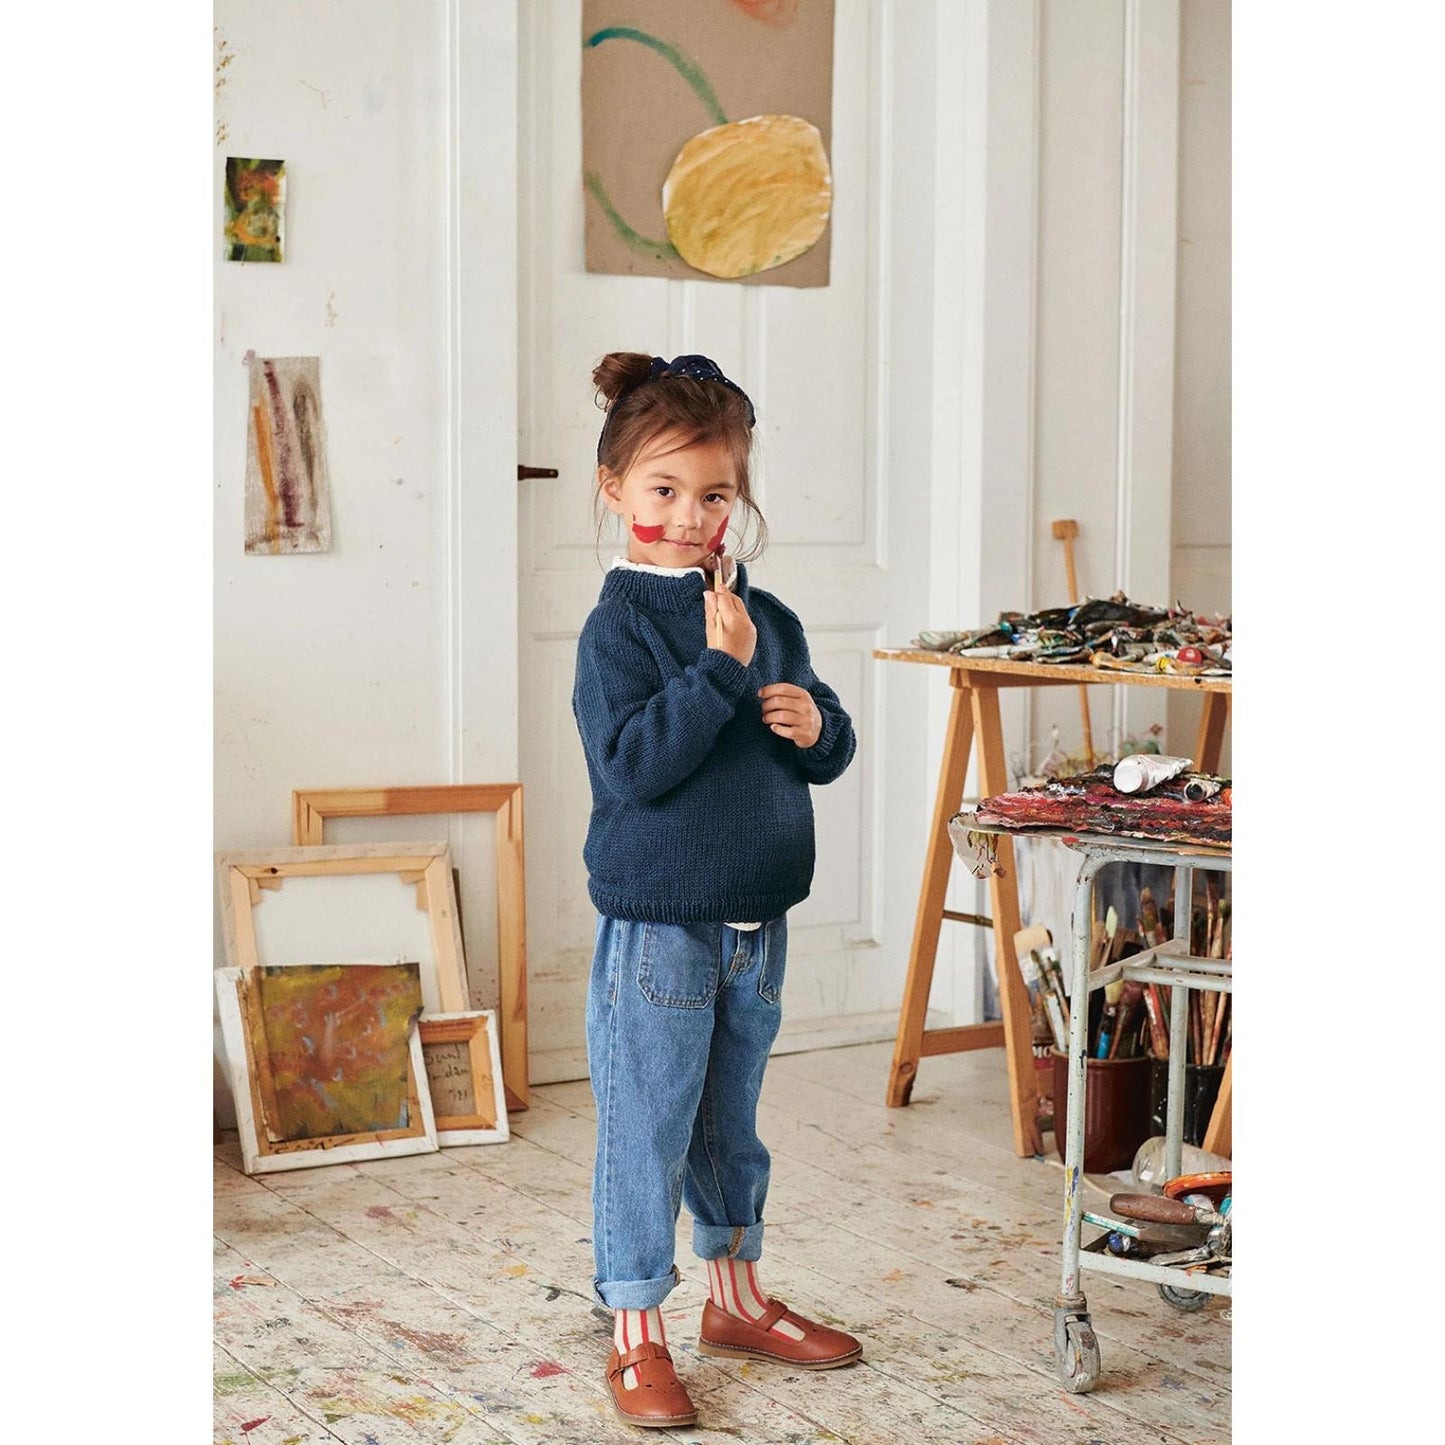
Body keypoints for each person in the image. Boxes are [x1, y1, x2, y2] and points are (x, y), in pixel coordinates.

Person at [573, 352, 862, 1428]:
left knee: (728, 1127)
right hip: (661, 925)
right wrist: (718, 673)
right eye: (665, 489)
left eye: (714, 493)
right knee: (645, 1127)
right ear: (615, 489)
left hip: (755, 921)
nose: (691, 517)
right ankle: (634, 1330)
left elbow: (825, 741)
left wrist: (816, 725)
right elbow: (632, 767)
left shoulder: (765, 614)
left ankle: (735, 1300)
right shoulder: (619, 628)